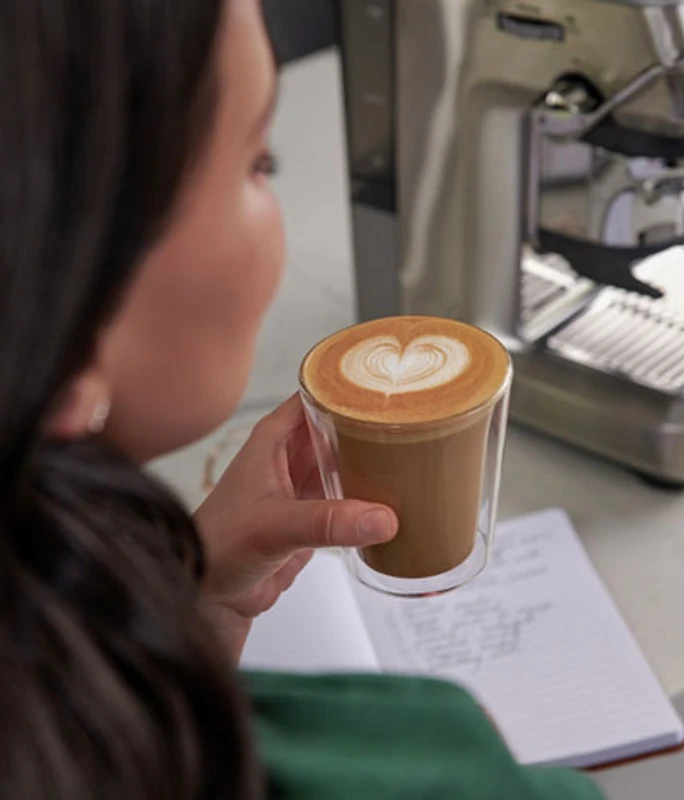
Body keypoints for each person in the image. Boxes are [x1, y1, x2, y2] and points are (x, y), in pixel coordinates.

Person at [0, 1, 604, 797]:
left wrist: (191, 616)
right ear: (64, 293)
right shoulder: (413, 761)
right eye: (260, 163)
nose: (276, 199)